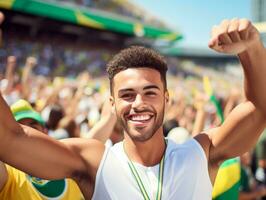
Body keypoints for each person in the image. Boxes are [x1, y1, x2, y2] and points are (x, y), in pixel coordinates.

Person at [0, 18, 266, 200]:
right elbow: (11, 140)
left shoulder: (200, 152)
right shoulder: (94, 161)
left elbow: (259, 110)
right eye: (127, 95)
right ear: (113, 104)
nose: (139, 103)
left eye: (150, 92)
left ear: (167, 98)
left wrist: (251, 49)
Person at [0, 99, 84, 200]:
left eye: (33, 127)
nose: (28, 134)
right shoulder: (8, 173)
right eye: (21, 131)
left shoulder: (68, 162)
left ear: (45, 132)